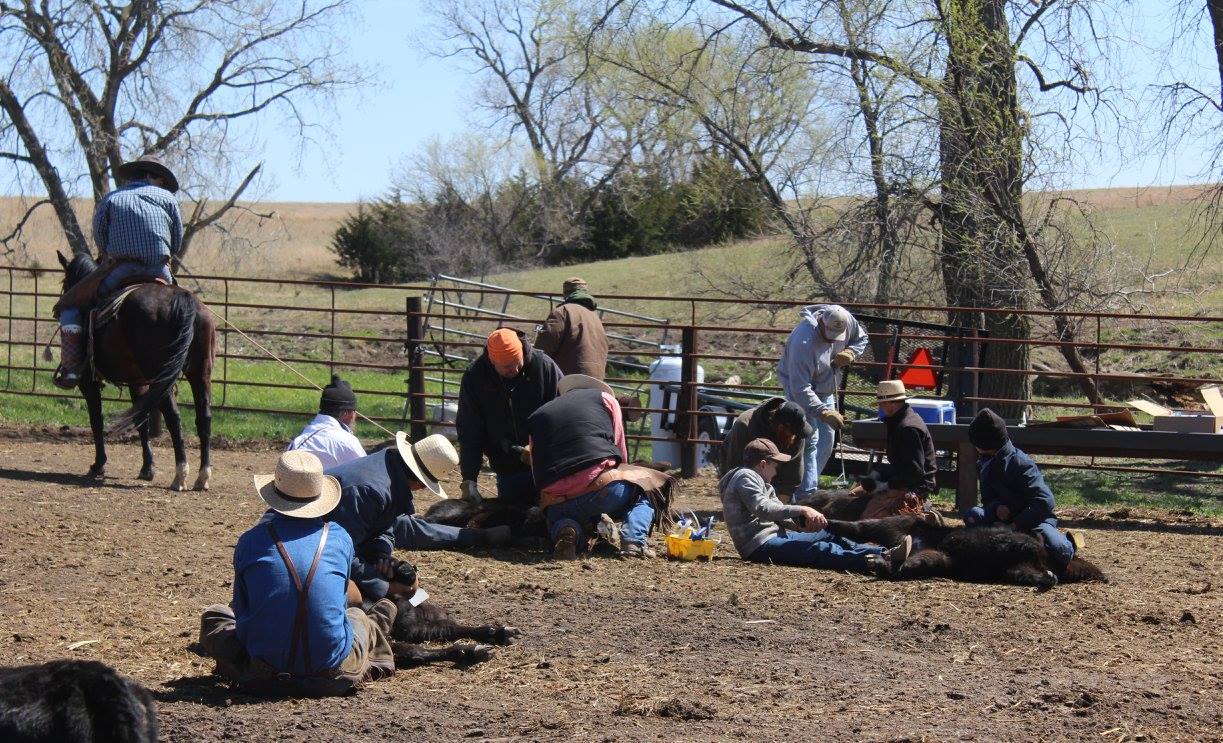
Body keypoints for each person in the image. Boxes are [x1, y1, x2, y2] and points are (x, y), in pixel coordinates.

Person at [197, 450, 398, 695]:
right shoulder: (339, 538)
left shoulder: (251, 541)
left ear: (274, 493)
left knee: (214, 615)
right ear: (321, 496)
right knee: (357, 615)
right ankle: (376, 650)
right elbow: (342, 601)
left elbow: (241, 611)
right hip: (333, 676)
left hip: (262, 675)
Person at [54, 154, 184, 389]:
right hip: (160, 271)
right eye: (161, 179)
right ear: (149, 175)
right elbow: (176, 243)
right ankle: (183, 360)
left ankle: (72, 367)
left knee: (73, 305)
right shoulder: (168, 199)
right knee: (183, 306)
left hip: (121, 271)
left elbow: (101, 240)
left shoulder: (111, 199)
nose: (162, 185)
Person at [326, 433, 508, 600]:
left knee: (412, 589)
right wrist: (385, 587)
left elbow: (385, 529)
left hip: (344, 545)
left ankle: (415, 600)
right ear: (421, 484)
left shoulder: (387, 467)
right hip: (322, 555)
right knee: (367, 600)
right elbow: (340, 554)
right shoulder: (372, 492)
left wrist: (381, 557)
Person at [528, 374, 673, 559]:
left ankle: (567, 530)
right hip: (604, 491)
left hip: (558, 503)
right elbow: (621, 454)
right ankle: (633, 542)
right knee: (642, 494)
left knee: (562, 519)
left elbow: (535, 469)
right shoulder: (605, 399)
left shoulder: (538, 415)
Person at [719, 438, 909, 575]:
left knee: (828, 534)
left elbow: (775, 511)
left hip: (773, 536)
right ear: (762, 464)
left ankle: (884, 553)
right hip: (759, 545)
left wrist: (799, 526)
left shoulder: (758, 480)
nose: (777, 470)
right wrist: (802, 509)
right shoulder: (746, 477)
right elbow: (763, 509)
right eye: (775, 464)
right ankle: (879, 560)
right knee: (820, 549)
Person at [961, 408, 1082, 567]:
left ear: (984, 444)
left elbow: (1045, 502)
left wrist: (1014, 525)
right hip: (1004, 519)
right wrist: (997, 507)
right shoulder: (984, 462)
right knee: (973, 515)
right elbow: (988, 499)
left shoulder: (1021, 464)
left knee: (1059, 551)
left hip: (1032, 521)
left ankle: (1070, 545)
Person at [456, 328, 563, 505]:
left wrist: (540, 446)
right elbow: (470, 430)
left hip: (548, 465)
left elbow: (564, 412)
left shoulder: (544, 367)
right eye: (506, 366)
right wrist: (469, 478)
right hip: (506, 465)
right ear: (492, 361)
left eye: (517, 362)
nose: (514, 369)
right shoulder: (476, 377)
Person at [777, 304, 869, 499]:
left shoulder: (846, 320)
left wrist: (851, 352)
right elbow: (800, 388)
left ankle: (807, 486)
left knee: (827, 440)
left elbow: (862, 338)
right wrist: (824, 412)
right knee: (810, 440)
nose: (833, 339)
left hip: (826, 388)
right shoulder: (803, 342)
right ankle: (806, 495)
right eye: (829, 333)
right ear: (822, 322)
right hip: (801, 390)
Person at [848, 380, 937, 518]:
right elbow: (902, 465)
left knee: (870, 517)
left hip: (916, 486)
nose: (881, 407)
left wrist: (885, 486)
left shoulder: (908, 429)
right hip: (906, 480)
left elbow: (914, 472)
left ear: (891, 403)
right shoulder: (900, 422)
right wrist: (873, 479)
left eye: (882, 403)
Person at [717, 397, 812, 501]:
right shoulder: (745, 425)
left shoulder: (796, 432)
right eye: (792, 433)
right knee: (742, 507)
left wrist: (782, 502)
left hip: (775, 473)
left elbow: (794, 468)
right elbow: (734, 463)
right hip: (743, 471)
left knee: (782, 509)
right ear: (781, 428)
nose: (795, 436)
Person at [534, 276, 610, 379]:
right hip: (598, 382)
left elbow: (543, 348)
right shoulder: (595, 316)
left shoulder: (562, 312)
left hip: (570, 381)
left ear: (565, 293)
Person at [287, 374, 366, 468]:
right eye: (353, 412)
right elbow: (367, 473)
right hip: (328, 482)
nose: (355, 416)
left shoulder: (299, 441)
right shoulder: (347, 442)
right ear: (346, 413)